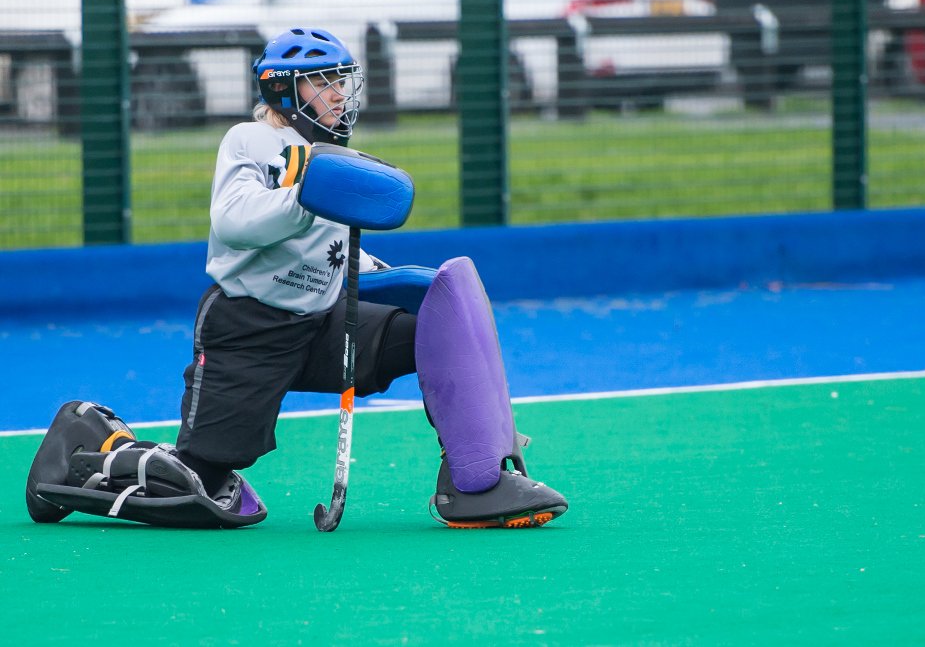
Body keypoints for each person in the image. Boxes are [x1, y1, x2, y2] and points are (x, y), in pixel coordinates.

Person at [25, 27, 568, 530]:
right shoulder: (252, 141)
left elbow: (329, 252)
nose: (339, 95)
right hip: (248, 327)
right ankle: (83, 446)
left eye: (342, 82)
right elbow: (234, 222)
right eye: (324, 82)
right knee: (207, 490)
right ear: (284, 91)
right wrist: (308, 196)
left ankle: (477, 482)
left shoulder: (332, 159)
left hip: (324, 322)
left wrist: (391, 277)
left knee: (436, 329)